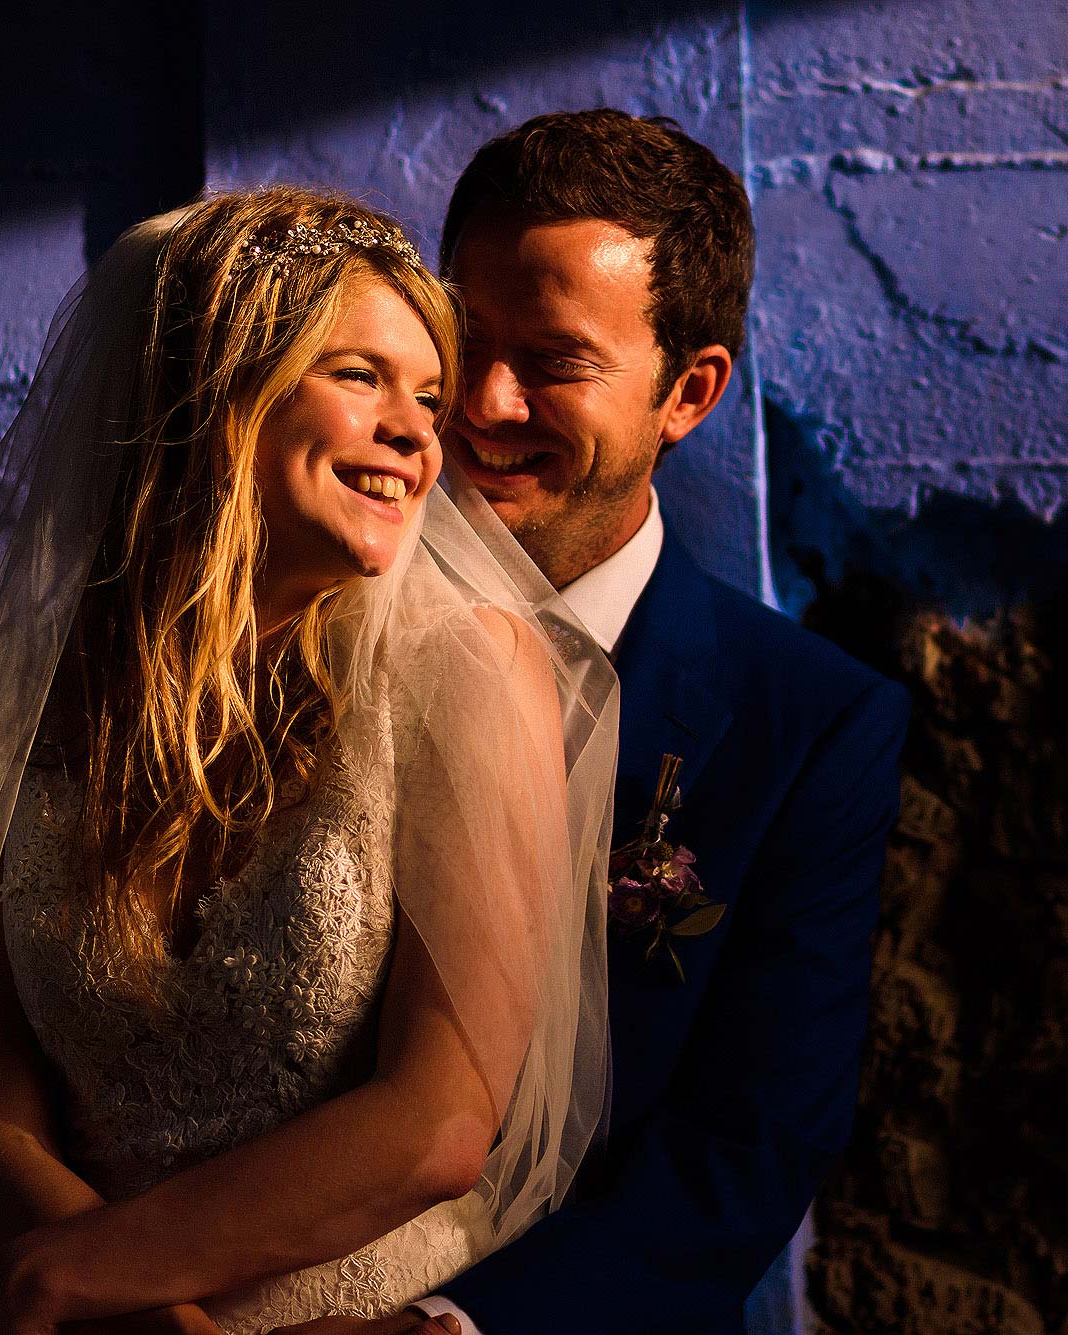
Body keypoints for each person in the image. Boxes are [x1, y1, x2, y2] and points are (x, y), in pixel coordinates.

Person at [0, 186, 620, 1335]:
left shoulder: (467, 669)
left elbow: (438, 1128)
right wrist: (131, 1315)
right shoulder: (30, 687)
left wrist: (63, 1284)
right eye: (358, 375)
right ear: (211, 391)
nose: (417, 433)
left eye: (426, 395)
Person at [398, 110, 911, 1335]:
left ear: (687, 393)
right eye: (462, 338)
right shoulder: (298, 625)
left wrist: (444, 1332)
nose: (482, 401)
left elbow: (744, 1147)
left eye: (554, 361)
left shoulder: (808, 726)